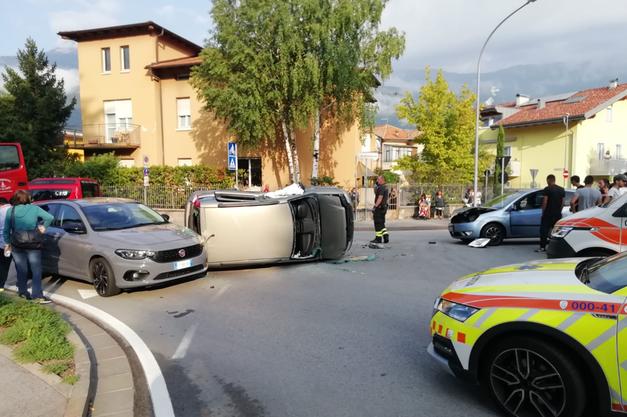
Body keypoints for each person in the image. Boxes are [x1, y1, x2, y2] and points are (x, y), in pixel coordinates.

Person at [3, 190, 54, 303]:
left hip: (16, 243)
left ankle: (23, 292)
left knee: (21, 269)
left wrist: (7, 243)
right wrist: (43, 227)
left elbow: (6, 230)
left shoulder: (11, 211)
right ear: (27, 198)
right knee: (36, 269)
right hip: (33, 243)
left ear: (15, 198)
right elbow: (50, 217)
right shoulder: (34, 208)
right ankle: (37, 296)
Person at [536, 174, 565, 253]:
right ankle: (558, 248)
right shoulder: (561, 189)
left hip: (548, 214)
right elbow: (563, 202)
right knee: (557, 232)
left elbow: (545, 201)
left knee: (544, 231)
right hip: (557, 214)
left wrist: (543, 212)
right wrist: (559, 211)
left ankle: (542, 248)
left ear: (548, 180)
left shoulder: (547, 189)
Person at [371, 176, 389, 244]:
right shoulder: (385, 187)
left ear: (382, 180)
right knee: (381, 223)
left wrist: (375, 206)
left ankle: (378, 239)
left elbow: (380, 198)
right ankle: (385, 235)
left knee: (377, 223)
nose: (377, 181)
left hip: (379, 208)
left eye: (378, 179)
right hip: (383, 208)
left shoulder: (381, 187)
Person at [0, 201, 12, 292]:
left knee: (3, 265)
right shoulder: (14, 210)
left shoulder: (1, 211)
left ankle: (1, 286)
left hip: (3, 243)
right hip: (16, 242)